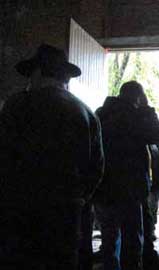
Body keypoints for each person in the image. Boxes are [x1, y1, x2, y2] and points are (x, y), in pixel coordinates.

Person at [0, 44, 104, 270]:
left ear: (37, 73)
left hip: (18, 211)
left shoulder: (15, 106)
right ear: (65, 76)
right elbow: (96, 168)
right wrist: (78, 198)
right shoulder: (86, 112)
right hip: (66, 214)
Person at [94, 81, 159, 270]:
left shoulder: (101, 113)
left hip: (104, 186)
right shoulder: (136, 116)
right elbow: (157, 136)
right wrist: (148, 109)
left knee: (109, 240)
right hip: (130, 189)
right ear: (138, 97)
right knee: (132, 240)